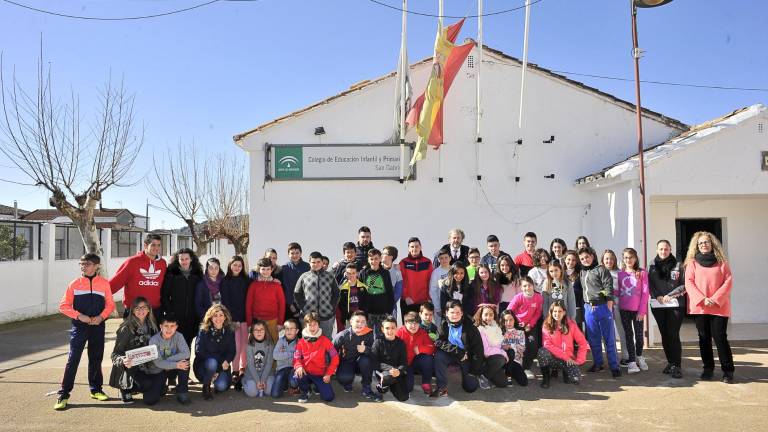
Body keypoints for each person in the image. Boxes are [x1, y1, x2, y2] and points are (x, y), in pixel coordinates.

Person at [54, 253, 116, 410]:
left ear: (97, 266)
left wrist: (101, 317)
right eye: (81, 264)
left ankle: (96, 390)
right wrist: (78, 316)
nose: (83, 266)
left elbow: (110, 305)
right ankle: (64, 394)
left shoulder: (104, 284)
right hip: (79, 327)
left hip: (98, 327)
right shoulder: (74, 284)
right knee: (73, 359)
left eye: (87, 264)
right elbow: (63, 305)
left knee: (96, 358)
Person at [684, 231, 734, 383]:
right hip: (700, 307)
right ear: (696, 246)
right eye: (700, 243)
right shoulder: (692, 263)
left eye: (706, 242)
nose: (703, 245)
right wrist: (702, 299)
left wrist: (715, 298)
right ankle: (708, 368)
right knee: (704, 338)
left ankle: (728, 371)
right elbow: (689, 282)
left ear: (712, 244)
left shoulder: (722, 262)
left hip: (719, 307)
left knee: (720, 338)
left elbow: (728, 281)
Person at [578, 247, 620, 378]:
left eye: (587, 257)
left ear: (592, 256)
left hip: (602, 307)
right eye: (582, 258)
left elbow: (608, 286)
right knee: (593, 338)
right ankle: (598, 363)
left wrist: (608, 303)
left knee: (609, 338)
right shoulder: (582, 272)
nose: (585, 260)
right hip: (589, 309)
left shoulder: (601, 269)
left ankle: (614, 366)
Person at [648, 239, 686, 379]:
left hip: (676, 304)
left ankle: (677, 365)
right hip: (658, 305)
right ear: (657, 250)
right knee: (664, 334)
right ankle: (670, 362)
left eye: (666, 249)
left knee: (673, 334)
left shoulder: (679, 265)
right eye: (661, 249)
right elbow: (649, 284)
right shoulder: (652, 265)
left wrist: (669, 296)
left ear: (670, 250)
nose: (663, 251)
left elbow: (684, 284)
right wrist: (657, 295)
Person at [109, 296, 158, 404]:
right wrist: (123, 360)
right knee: (146, 384)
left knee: (160, 389)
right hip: (130, 368)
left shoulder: (153, 325)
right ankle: (126, 388)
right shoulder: (126, 329)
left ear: (149, 309)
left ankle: (138, 385)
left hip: (146, 365)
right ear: (132, 310)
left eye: (144, 307)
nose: (141, 311)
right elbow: (115, 354)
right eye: (137, 308)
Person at [432, 300, 484, 397]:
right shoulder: (443, 325)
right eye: (452, 312)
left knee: (471, 387)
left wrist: (473, 371)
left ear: (462, 313)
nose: (455, 315)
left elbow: (478, 351)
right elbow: (438, 342)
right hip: (452, 354)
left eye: (457, 312)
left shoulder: (471, 328)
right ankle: (441, 387)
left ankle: (471, 377)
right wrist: (457, 351)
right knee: (439, 355)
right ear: (446, 313)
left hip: (465, 358)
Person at [110, 233, 166, 320]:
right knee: (132, 334)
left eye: (159, 245)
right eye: (153, 245)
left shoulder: (162, 263)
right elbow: (116, 282)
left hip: (155, 310)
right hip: (134, 311)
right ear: (145, 245)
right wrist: (100, 296)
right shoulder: (132, 262)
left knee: (155, 334)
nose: (157, 248)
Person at [538, 301, 589, 388]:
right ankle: (546, 378)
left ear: (564, 312)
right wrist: (565, 356)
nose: (557, 314)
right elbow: (547, 345)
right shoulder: (546, 324)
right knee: (542, 352)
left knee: (576, 379)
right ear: (551, 312)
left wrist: (579, 360)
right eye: (555, 311)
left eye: (560, 311)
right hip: (554, 358)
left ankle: (565, 372)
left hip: (568, 360)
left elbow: (583, 343)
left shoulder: (571, 325)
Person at [145, 313, 191, 405]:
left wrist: (168, 361)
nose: (169, 329)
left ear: (176, 327)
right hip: (159, 370)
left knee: (185, 363)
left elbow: (186, 353)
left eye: (172, 326)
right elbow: (158, 362)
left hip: (171, 366)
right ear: (161, 326)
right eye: (166, 326)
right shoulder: (154, 340)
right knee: (152, 399)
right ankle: (162, 386)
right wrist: (175, 364)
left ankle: (182, 391)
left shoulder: (179, 336)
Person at [161, 248, 203, 349]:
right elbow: (164, 295)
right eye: (181, 259)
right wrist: (170, 312)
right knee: (175, 345)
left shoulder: (198, 274)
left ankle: (186, 365)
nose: (184, 261)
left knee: (188, 344)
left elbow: (202, 294)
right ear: (178, 260)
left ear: (191, 259)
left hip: (193, 317)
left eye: (186, 259)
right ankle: (175, 364)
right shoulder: (171, 274)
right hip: (176, 317)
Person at [294, 312, 340, 403]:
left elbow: (335, 357)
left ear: (319, 325)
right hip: (305, 373)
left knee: (329, 397)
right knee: (297, 374)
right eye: (309, 325)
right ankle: (306, 390)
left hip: (320, 374)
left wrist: (329, 373)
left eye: (315, 324)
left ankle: (317, 386)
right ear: (305, 326)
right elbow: (296, 357)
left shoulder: (325, 340)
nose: (312, 327)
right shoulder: (301, 342)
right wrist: (299, 366)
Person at [617, 248, 650, 374]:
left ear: (635, 258)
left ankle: (640, 356)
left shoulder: (642, 273)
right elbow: (617, 291)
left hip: (637, 311)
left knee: (639, 336)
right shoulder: (620, 274)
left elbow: (645, 293)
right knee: (628, 336)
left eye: (630, 257)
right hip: (624, 309)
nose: (628, 260)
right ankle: (631, 361)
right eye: (625, 257)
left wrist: (642, 311)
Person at [219, 256, 250, 390]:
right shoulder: (225, 281)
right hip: (233, 320)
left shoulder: (247, 281)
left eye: (239, 265)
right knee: (237, 346)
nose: (237, 267)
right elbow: (225, 302)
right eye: (234, 265)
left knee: (245, 345)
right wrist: (232, 320)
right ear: (230, 266)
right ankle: (235, 371)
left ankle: (244, 370)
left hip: (245, 319)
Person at [194, 304, 236, 400]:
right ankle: (206, 385)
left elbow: (232, 351)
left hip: (222, 366)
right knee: (212, 362)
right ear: (210, 317)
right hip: (205, 366)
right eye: (215, 315)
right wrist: (220, 362)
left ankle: (217, 379)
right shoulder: (203, 330)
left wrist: (227, 361)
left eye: (221, 315)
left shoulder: (229, 331)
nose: (218, 318)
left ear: (225, 317)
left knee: (221, 386)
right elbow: (199, 351)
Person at [294, 251, 340, 338]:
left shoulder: (330, 276)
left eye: (318, 262)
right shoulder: (304, 276)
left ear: (322, 262)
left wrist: (332, 306)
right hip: (308, 316)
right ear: (309, 263)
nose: (316, 264)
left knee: (326, 340)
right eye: (313, 262)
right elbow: (297, 293)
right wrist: (303, 307)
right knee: (308, 340)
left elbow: (336, 293)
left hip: (326, 315)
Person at [506, 276, 543, 379]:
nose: (527, 288)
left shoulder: (538, 297)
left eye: (529, 285)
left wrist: (530, 325)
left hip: (531, 326)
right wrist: (517, 323)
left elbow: (537, 313)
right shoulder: (518, 297)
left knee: (533, 346)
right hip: (518, 325)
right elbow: (509, 311)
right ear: (521, 287)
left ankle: (526, 368)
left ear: (533, 286)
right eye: (525, 286)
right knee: (520, 347)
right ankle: (516, 368)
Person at [332, 311, 375, 397]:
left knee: (366, 360)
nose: (360, 324)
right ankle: (348, 380)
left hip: (361, 364)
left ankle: (366, 385)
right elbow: (331, 351)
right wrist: (332, 367)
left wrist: (366, 349)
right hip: (347, 362)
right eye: (357, 321)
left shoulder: (369, 334)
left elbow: (375, 353)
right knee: (344, 378)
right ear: (351, 322)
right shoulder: (342, 335)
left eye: (363, 322)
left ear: (366, 323)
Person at [246, 257, 285, 343]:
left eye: (268, 269)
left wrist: (280, 323)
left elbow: (282, 305)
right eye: (263, 269)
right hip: (258, 321)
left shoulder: (277, 285)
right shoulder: (253, 285)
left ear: (272, 270)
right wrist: (249, 324)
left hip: (273, 321)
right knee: (258, 346)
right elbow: (248, 305)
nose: (265, 271)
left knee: (274, 345)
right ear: (258, 269)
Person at [371, 317, 409, 402]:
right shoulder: (378, 341)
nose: (390, 331)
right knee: (386, 377)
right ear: (382, 329)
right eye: (387, 328)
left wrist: (399, 371)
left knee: (404, 397)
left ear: (396, 328)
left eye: (393, 328)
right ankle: (380, 389)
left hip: (396, 371)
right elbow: (374, 362)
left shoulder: (401, 343)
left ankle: (391, 385)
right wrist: (390, 369)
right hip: (382, 371)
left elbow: (404, 362)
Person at [396, 311, 436, 395]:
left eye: (416, 323)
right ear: (405, 323)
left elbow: (432, 348)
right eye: (410, 323)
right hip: (403, 364)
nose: (413, 326)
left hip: (415, 362)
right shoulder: (399, 332)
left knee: (428, 359)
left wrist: (420, 349)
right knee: (408, 388)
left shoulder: (422, 332)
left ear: (419, 324)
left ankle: (426, 383)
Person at [602, 249, 630, 367]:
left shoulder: (620, 272)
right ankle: (611, 357)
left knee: (622, 330)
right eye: (607, 258)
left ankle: (626, 356)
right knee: (607, 333)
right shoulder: (599, 272)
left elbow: (625, 289)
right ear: (603, 260)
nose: (609, 261)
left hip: (618, 305)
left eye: (611, 258)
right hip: (604, 305)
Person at [359, 248, 395, 335]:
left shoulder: (385, 273)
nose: (374, 261)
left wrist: (389, 310)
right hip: (368, 312)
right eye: (371, 259)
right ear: (368, 259)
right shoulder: (363, 273)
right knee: (367, 336)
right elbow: (360, 293)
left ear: (380, 259)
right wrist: (362, 310)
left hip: (382, 312)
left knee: (381, 336)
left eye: (376, 259)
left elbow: (390, 291)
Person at [474, 305, 509, 389]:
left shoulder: (496, 326)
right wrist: (503, 353)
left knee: (503, 383)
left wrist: (503, 347)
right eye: (485, 314)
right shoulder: (480, 329)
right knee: (501, 359)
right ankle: (483, 377)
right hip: (483, 360)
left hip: (493, 359)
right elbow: (486, 351)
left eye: (491, 314)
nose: (488, 317)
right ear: (481, 315)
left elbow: (497, 344)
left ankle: (491, 373)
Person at [399, 237, 433, 319]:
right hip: (408, 301)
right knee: (408, 327)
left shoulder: (427, 262)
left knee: (422, 328)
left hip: (423, 301)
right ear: (408, 248)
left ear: (420, 247)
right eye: (412, 247)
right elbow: (401, 282)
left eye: (417, 246)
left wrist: (428, 298)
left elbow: (430, 281)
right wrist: (406, 296)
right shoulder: (403, 262)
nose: (414, 249)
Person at [243, 320, 275, 397]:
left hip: (267, 373)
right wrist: (258, 381)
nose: (259, 332)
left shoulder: (270, 344)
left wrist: (263, 380)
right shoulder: (249, 345)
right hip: (252, 373)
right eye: (256, 330)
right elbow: (250, 364)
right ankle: (243, 380)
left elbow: (269, 363)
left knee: (270, 391)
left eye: (261, 329)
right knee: (253, 393)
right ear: (252, 332)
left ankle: (263, 384)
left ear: (265, 331)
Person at [271, 318, 301, 398]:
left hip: (293, 368)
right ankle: (284, 385)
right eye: (287, 329)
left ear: (297, 331)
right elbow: (275, 356)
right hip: (281, 369)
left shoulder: (299, 342)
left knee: (294, 381)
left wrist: (283, 353)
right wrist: (292, 353)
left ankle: (294, 386)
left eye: (292, 329)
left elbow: (300, 358)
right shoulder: (281, 341)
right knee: (275, 394)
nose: (289, 331)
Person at [281, 242, 310, 321]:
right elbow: (285, 288)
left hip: (305, 303)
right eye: (292, 253)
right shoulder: (284, 268)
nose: (294, 255)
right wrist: (291, 306)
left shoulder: (307, 266)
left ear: (301, 253)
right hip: (290, 304)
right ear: (288, 254)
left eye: (297, 253)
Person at [499, 310, 529, 386]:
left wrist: (510, 346)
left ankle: (511, 372)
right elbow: (497, 346)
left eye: (511, 320)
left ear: (514, 320)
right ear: (502, 321)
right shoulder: (499, 331)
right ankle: (507, 374)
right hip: (504, 360)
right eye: (505, 320)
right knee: (510, 352)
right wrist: (503, 347)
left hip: (516, 360)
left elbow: (522, 348)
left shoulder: (520, 332)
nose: (508, 322)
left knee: (524, 382)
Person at [337, 264, 366, 331]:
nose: (351, 275)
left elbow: (366, 304)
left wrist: (364, 315)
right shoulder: (342, 288)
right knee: (349, 337)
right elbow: (341, 305)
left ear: (357, 273)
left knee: (361, 335)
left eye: (353, 273)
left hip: (361, 317)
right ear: (346, 274)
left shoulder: (363, 287)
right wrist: (344, 317)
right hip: (348, 318)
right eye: (349, 273)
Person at [430, 248, 452, 325]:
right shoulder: (436, 273)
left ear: (450, 258)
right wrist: (437, 307)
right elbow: (433, 291)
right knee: (441, 328)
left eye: (446, 257)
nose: (444, 260)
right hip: (441, 306)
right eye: (441, 258)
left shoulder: (454, 269)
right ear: (438, 260)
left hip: (453, 305)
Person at [564, 250, 585, 330]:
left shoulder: (580, 274)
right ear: (565, 260)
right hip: (563, 308)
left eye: (573, 260)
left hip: (576, 307)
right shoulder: (560, 273)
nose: (571, 262)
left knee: (577, 330)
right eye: (568, 259)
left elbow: (582, 291)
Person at [382, 245, 403, 321]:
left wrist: (389, 303)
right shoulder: (376, 269)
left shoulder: (397, 272)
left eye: (384, 253)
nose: (382, 255)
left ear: (391, 257)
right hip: (377, 307)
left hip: (391, 308)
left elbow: (398, 291)